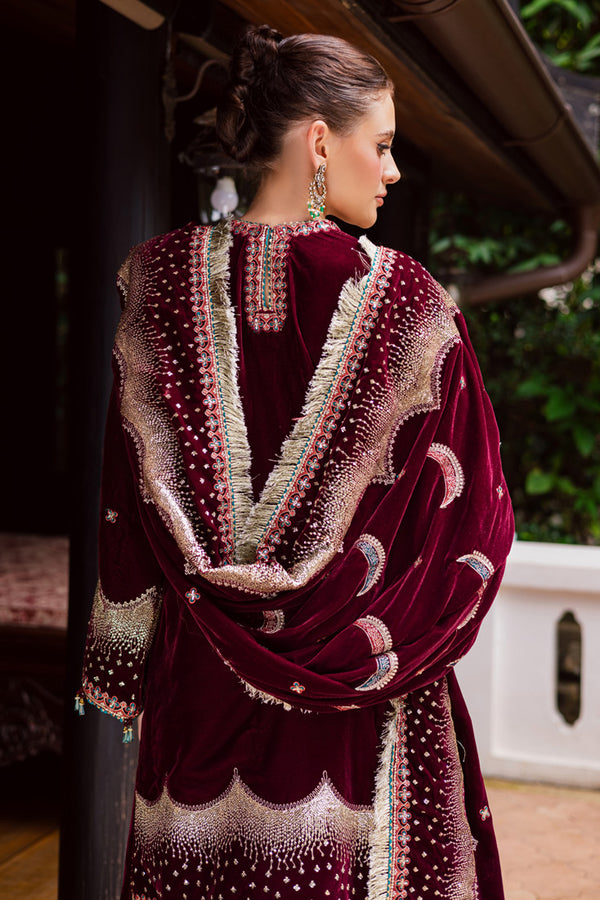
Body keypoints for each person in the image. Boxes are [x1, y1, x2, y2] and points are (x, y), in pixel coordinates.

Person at [78, 24, 514, 900]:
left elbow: (125, 508)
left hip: (196, 698)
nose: (393, 171)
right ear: (320, 141)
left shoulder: (153, 287)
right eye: (380, 146)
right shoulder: (413, 309)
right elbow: (472, 521)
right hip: (356, 712)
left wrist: (121, 661)